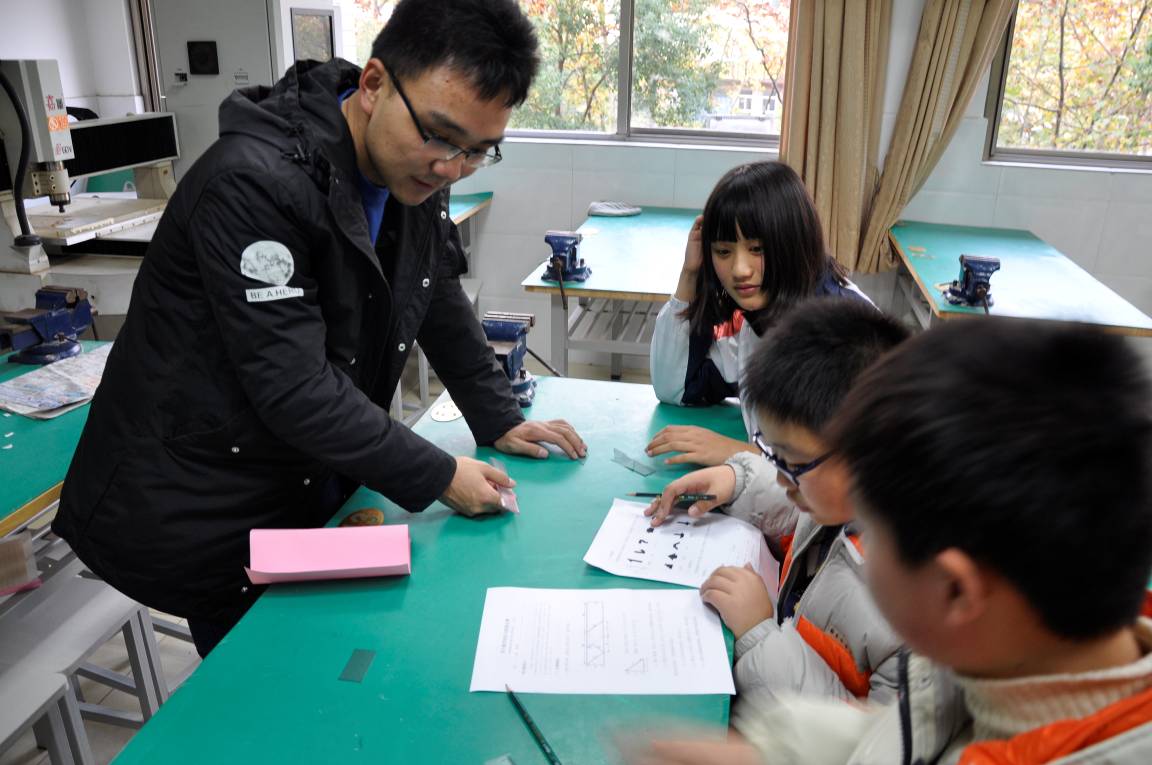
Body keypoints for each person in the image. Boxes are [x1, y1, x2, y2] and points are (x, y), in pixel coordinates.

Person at [52, 0, 586, 658]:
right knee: (261, 679)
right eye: (441, 138)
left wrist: (497, 415)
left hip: (304, 471)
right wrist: (440, 473)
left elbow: (434, 288)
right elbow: (294, 387)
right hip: (210, 494)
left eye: (478, 151)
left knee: (331, 656)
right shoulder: (252, 184)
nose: (451, 166)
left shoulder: (412, 168)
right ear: (374, 84)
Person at [629, 319, 1152, 764]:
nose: (852, 537)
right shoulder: (998, 656)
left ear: (955, 590)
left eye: (870, 529)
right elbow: (906, 732)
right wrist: (770, 750)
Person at [646, 298, 909, 710]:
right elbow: (806, 513)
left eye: (793, 462)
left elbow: (863, 738)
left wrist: (758, 633)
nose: (783, 477)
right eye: (774, 454)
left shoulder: (915, 617)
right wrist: (736, 480)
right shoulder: (842, 501)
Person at [646, 161, 869, 468]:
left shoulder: (846, 336)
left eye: (757, 249)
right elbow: (675, 388)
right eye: (723, 252)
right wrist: (690, 274)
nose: (740, 270)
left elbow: (845, 472)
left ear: (794, 242)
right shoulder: (755, 318)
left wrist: (738, 454)